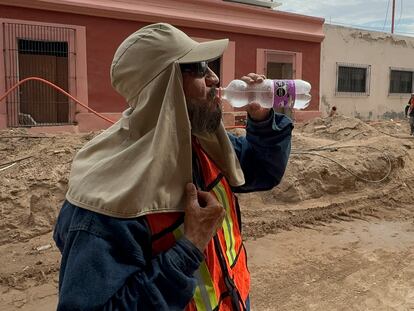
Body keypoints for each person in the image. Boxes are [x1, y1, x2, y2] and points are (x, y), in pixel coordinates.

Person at [53, 23, 293, 310]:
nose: (215, 78)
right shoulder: (105, 200)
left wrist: (263, 120)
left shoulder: (203, 143)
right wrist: (188, 248)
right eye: (199, 67)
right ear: (163, 86)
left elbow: (261, 171)